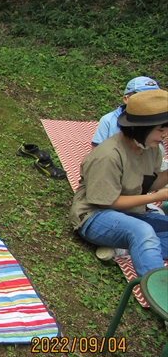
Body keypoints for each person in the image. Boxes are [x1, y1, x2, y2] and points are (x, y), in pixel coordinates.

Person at [71, 89, 168, 276]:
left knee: (146, 233)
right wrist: (158, 197)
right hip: (95, 216)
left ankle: (125, 248)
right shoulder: (108, 155)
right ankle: (158, 291)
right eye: (160, 129)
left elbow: (150, 183)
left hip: (130, 214)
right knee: (143, 231)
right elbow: (107, 202)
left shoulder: (151, 148)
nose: (164, 135)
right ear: (141, 128)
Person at [91, 76, 160, 147]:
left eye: (154, 99)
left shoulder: (156, 120)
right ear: (126, 99)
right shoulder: (108, 120)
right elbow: (97, 150)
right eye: (142, 98)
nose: (149, 103)